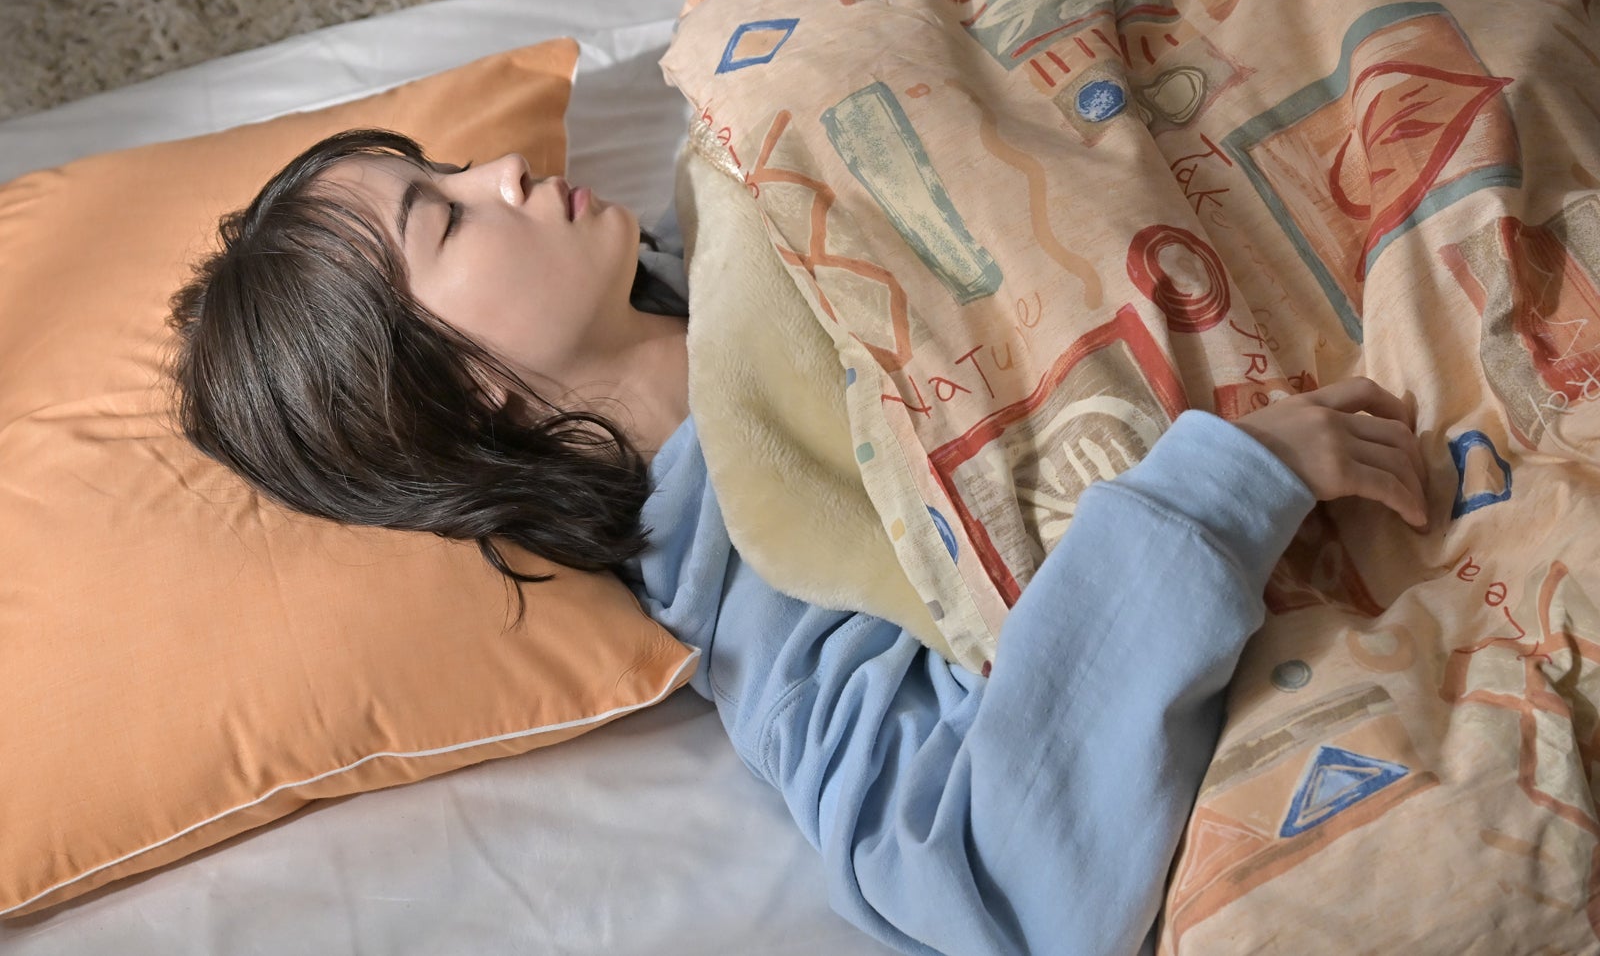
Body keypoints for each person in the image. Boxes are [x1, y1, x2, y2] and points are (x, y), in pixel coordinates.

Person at [166, 127, 1431, 956]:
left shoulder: (740, 178)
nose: (500, 168)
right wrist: (1217, 495)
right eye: (444, 218)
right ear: (462, 393)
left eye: (447, 166)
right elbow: (1003, 885)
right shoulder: (757, 599)